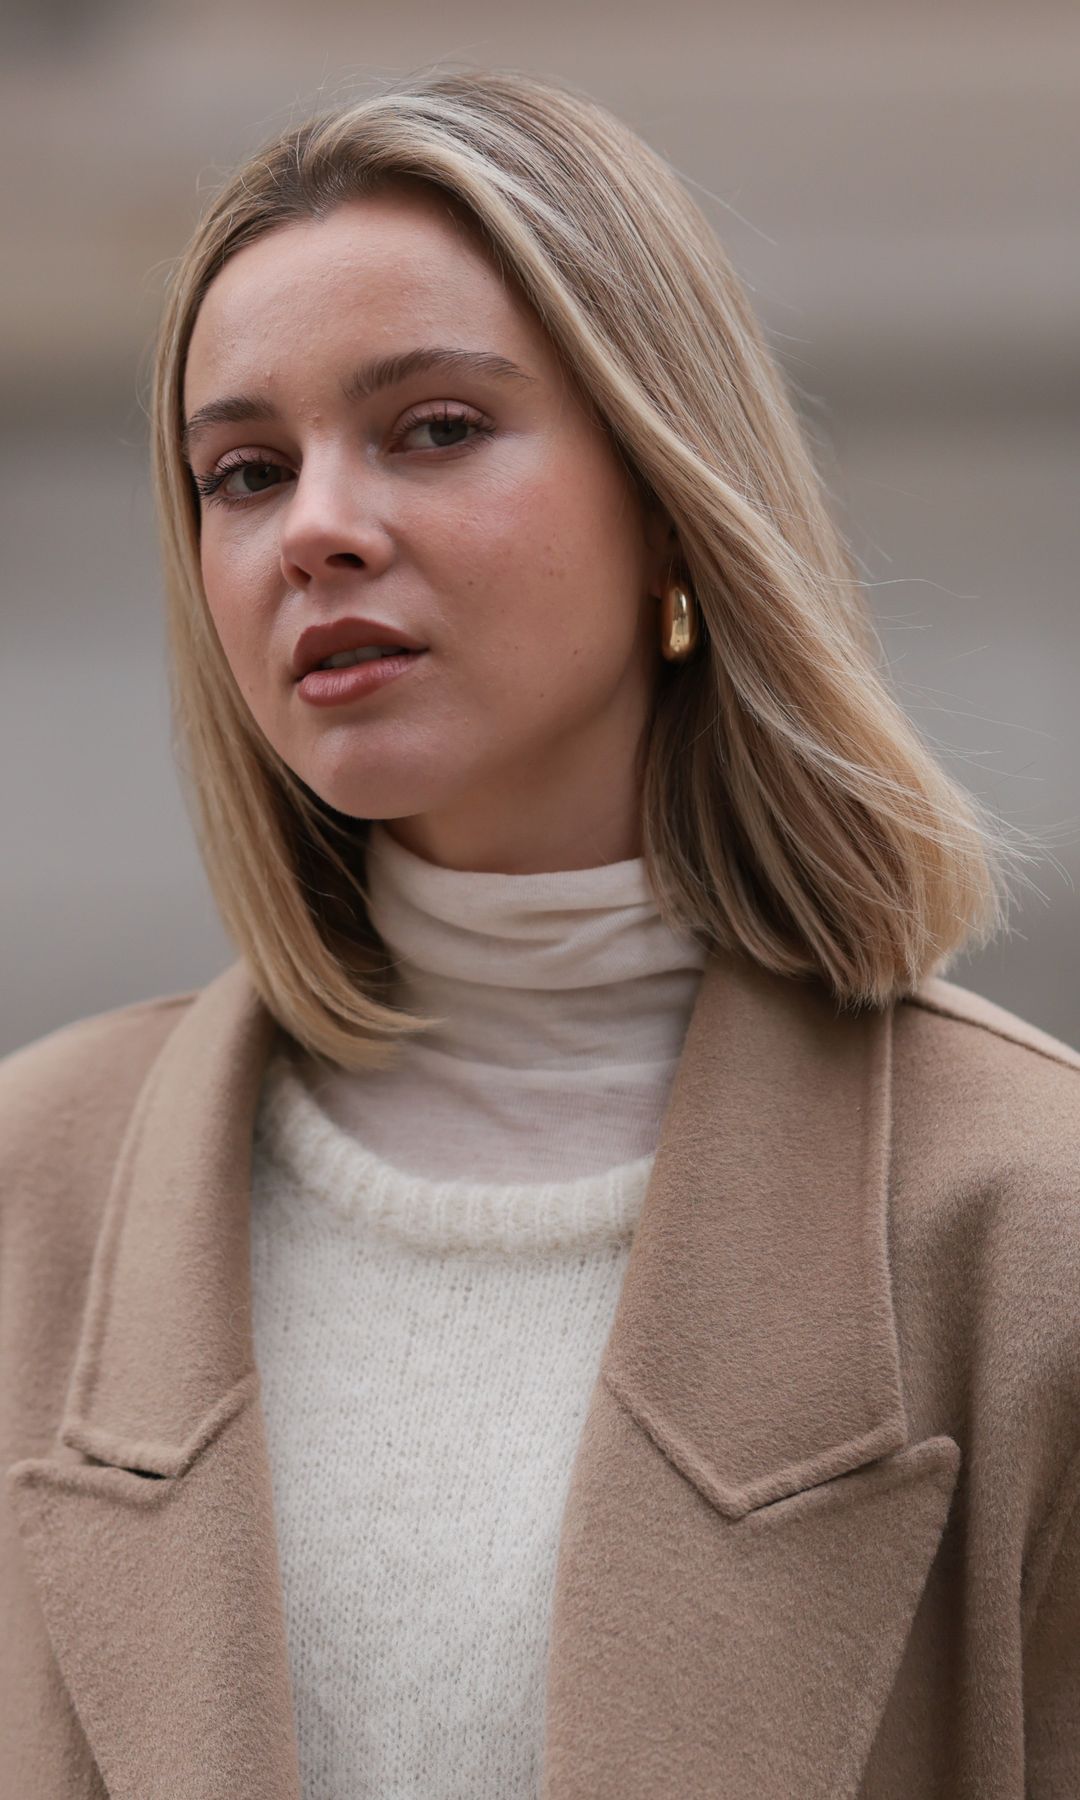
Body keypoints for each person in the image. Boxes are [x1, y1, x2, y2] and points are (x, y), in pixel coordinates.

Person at [1, 64, 1077, 1800]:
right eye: (246, 472)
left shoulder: (1023, 1219)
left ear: (666, 497)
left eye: (434, 428)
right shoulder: (31, 1192)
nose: (318, 529)